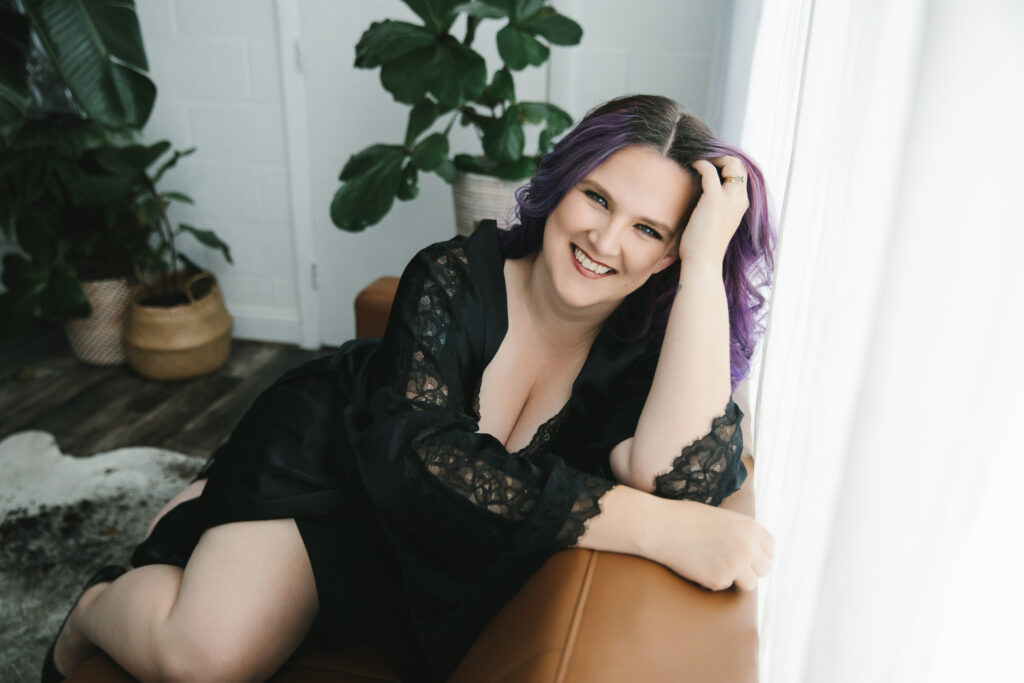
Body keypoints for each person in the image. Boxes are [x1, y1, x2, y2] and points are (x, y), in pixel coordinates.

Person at [43, 94, 777, 683]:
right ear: (561, 185)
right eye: (597, 197)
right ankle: (93, 610)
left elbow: (686, 479)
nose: (606, 241)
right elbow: (418, 459)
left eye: (650, 230)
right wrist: (650, 527)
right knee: (206, 660)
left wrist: (708, 264)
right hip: (337, 464)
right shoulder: (452, 273)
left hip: (422, 545)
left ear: (669, 254)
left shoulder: (644, 354)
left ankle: (206, 505)